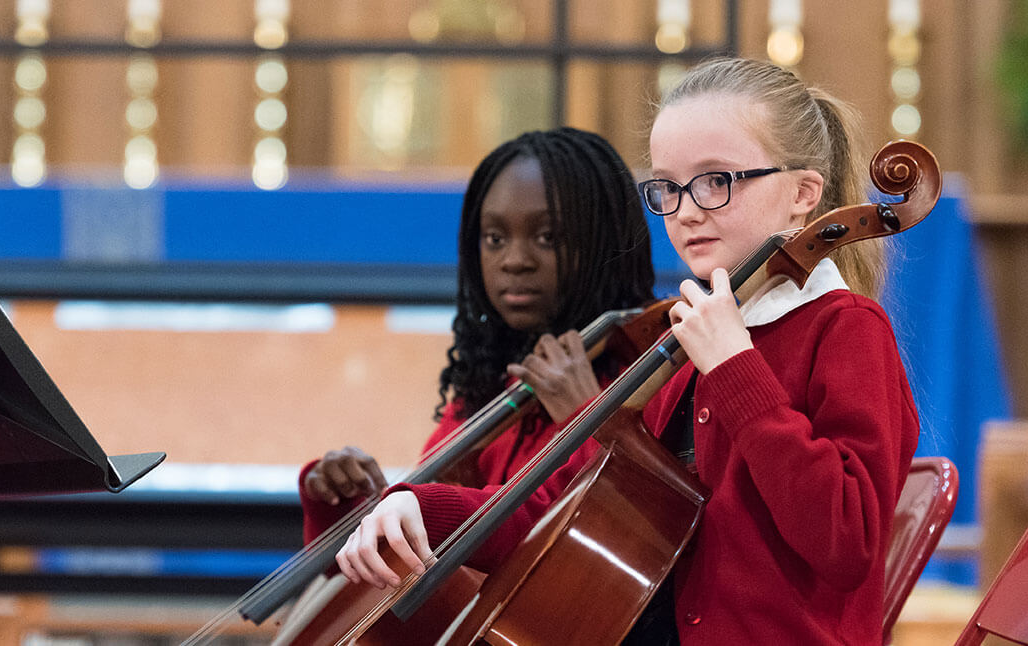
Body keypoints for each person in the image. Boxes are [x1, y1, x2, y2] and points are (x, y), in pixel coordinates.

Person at [336, 56, 921, 646]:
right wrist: (417, 505)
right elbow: (557, 507)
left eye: (716, 180)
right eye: (668, 186)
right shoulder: (685, 340)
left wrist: (734, 367)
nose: (687, 210)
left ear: (803, 193)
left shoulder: (845, 329)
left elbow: (848, 539)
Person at [297, 127, 656, 544]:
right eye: (495, 239)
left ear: (604, 242)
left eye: (547, 238)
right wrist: (352, 506)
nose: (515, 260)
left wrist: (586, 414)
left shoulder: (651, 373)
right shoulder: (489, 385)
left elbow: (630, 536)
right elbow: (414, 579)